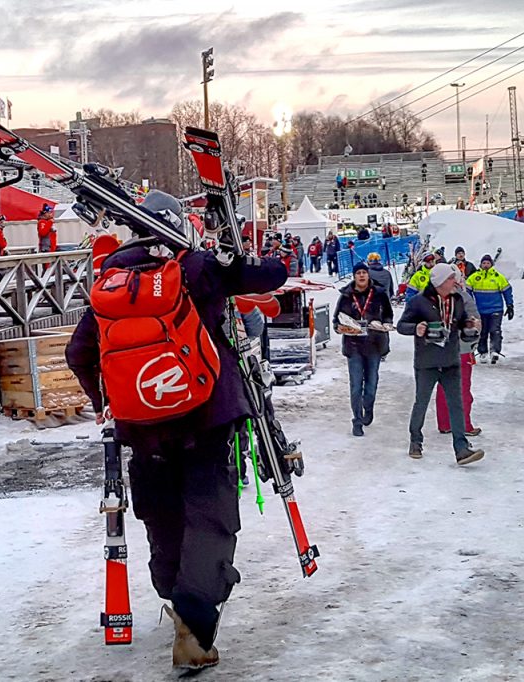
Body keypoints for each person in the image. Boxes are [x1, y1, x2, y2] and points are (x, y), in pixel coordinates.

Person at [65, 192, 288, 670]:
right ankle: (193, 623)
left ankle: (172, 591)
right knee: (209, 515)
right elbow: (272, 276)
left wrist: (108, 401)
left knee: (162, 514)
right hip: (204, 418)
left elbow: (78, 353)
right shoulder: (194, 270)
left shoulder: (109, 285)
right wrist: (240, 254)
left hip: (143, 428)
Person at [397, 263, 485, 465]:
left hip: (450, 360)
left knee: (456, 404)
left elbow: (461, 326)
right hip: (427, 362)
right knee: (422, 402)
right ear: (439, 282)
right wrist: (416, 328)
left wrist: (470, 325)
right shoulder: (419, 302)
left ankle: (461, 449)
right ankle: (415, 440)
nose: (455, 281)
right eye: (450, 278)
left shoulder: (458, 300)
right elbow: (402, 325)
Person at [335, 262, 394, 436]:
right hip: (353, 346)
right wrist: (341, 327)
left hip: (374, 344)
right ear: (354, 276)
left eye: (364, 272)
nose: (361, 276)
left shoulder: (379, 293)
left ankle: (368, 408)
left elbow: (389, 313)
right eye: (358, 273)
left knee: (371, 384)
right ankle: (357, 420)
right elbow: (336, 320)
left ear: (368, 275)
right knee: (355, 386)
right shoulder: (346, 295)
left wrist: (385, 324)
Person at [436, 270, 482, 437]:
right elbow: (475, 322)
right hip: (461, 349)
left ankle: (445, 423)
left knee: (443, 387)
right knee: (462, 388)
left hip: (439, 350)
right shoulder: (463, 297)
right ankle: (464, 425)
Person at [466, 254, 513, 364]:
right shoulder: (474, 277)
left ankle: (495, 351)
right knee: (482, 331)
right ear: (481, 264)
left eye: (488, 263)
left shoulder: (498, 277)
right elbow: (467, 290)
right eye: (484, 263)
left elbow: (507, 291)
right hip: (480, 310)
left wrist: (510, 305)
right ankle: (483, 352)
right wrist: (470, 303)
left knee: (495, 330)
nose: (486, 265)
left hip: (496, 309)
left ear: (491, 264)